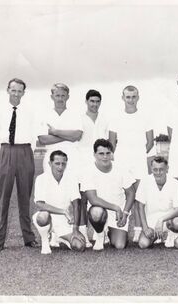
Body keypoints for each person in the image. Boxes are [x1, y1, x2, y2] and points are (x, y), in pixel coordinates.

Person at [0, 78, 38, 252]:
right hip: (5, 153)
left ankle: (28, 238)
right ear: (8, 90)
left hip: (25, 152)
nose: (16, 94)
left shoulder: (29, 111)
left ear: (24, 93)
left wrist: (27, 155)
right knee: (3, 199)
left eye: (20, 91)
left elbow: (33, 136)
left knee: (25, 198)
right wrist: (1, 158)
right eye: (14, 90)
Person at [108, 85, 154, 242]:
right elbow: (111, 143)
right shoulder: (115, 117)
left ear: (138, 97)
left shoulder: (145, 116)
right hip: (121, 161)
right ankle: (121, 226)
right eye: (128, 97)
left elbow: (150, 142)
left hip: (139, 161)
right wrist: (120, 158)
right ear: (123, 98)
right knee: (123, 195)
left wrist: (139, 154)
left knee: (140, 195)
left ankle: (139, 229)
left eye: (134, 96)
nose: (131, 100)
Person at [81, 139, 136, 250]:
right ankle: (100, 234)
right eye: (101, 154)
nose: (105, 157)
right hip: (99, 211)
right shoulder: (87, 171)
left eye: (108, 153)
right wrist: (115, 208)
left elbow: (131, 193)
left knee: (120, 245)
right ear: (94, 154)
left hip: (118, 215)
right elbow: (93, 199)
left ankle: (109, 232)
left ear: (112, 154)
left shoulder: (121, 169)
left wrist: (125, 213)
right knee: (96, 211)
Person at [32, 150, 86, 254]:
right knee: (43, 216)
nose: (60, 167)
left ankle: (58, 237)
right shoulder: (41, 179)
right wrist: (63, 211)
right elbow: (39, 204)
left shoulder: (71, 179)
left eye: (63, 164)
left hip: (64, 221)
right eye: (57, 163)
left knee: (80, 246)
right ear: (50, 163)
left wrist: (75, 229)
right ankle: (45, 240)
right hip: (46, 217)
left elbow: (76, 204)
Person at [77, 89, 105, 248]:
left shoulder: (105, 119)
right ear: (86, 102)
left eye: (97, 101)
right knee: (83, 199)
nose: (94, 104)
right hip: (82, 164)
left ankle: (100, 232)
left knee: (100, 196)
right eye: (91, 101)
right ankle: (83, 234)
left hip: (100, 164)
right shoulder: (79, 119)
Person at [136, 156, 178, 249]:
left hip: (169, 220)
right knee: (143, 244)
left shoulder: (175, 183)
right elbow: (140, 207)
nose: (158, 173)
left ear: (167, 169)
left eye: (161, 169)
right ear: (151, 169)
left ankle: (171, 233)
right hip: (151, 221)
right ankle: (161, 236)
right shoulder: (145, 181)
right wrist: (145, 228)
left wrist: (161, 220)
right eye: (155, 169)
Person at [37, 83, 83, 176]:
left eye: (63, 96)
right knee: (52, 187)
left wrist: (55, 132)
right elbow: (43, 139)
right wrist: (69, 136)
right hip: (51, 156)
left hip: (72, 156)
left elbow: (77, 135)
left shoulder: (75, 115)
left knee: (72, 187)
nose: (60, 99)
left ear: (68, 97)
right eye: (57, 95)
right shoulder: (44, 115)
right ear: (52, 97)